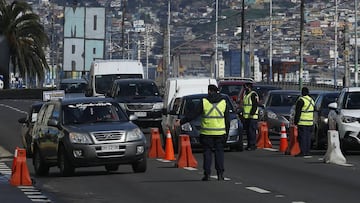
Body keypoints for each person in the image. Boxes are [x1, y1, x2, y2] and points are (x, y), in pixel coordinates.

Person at [175, 84, 230, 181]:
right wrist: (227, 133)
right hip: (220, 132)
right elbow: (227, 120)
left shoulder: (204, 102)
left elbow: (193, 115)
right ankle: (220, 174)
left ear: (209, 91)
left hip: (207, 133)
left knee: (207, 153)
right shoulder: (223, 102)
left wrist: (181, 121)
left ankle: (207, 174)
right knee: (219, 153)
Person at [294, 87, 315, 157]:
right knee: (308, 138)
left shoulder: (301, 100)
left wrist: (295, 122)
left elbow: (298, 112)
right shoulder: (312, 100)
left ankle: (302, 151)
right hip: (310, 122)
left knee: (302, 138)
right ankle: (307, 151)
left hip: (302, 122)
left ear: (302, 92)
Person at [242, 82, 259, 151]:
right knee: (248, 132)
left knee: (252, 131)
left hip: (252, 117)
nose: (244, 88)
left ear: (249, 87)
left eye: (245, 87)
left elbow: (254, 105)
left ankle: (252, 145)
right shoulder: (246, 95)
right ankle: (249, 144)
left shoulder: (253, 94)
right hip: (247, 116)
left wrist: (252, 113)